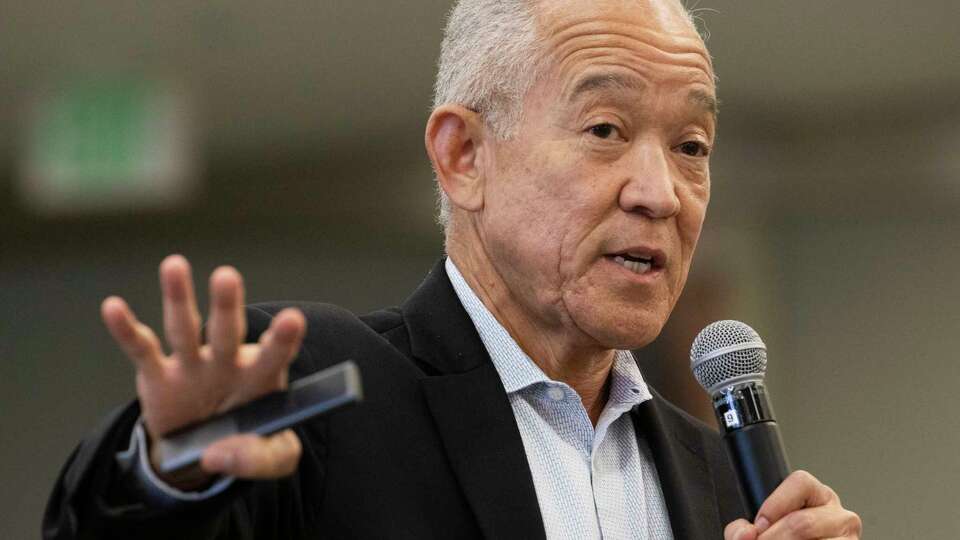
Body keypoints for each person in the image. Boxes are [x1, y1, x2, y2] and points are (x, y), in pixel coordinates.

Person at [44, 0, 862, 538]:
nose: (661, 194)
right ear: (464, 155)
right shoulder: (320, 390)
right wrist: (164, 476)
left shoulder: (723, 484)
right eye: (606, 130)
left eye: (691, 147)